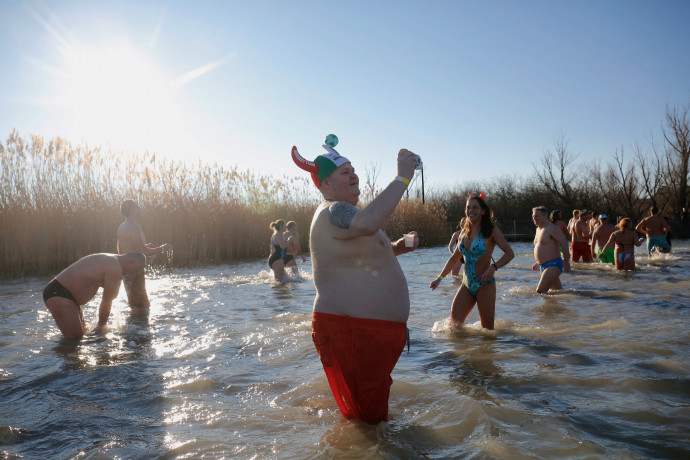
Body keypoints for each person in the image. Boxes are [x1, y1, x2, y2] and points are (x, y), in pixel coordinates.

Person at [291, 142, 419, 424]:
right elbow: (367, 223)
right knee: (366, 427)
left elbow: (355, 259)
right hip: (351, 333)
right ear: (324, 182)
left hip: (365, 333)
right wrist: (403, 177)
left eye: (353, 170)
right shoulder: (332, 211)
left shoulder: (344, 214)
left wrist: (396, 247)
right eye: (344, 172)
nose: (354, 175)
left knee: (368, 422)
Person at [429, 194, 514, 329]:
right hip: (467, 284)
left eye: (475, 207)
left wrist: (493, 267)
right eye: (468, 207)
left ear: (483, 211)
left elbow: (510, 253)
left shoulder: (491, 231)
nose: (471, 210)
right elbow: (454, 258)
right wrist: (439, 278)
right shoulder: (463, 232)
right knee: (454, 326)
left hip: (484, 284)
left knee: (487, 331)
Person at [43, 252, 146, 340]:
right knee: (76, 340)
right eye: (136, 270)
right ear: (131, 262)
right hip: (59, 293)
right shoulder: (114, 267)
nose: (134, 274)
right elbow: (107, 301)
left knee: (83, 335)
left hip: (66, 296)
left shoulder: (112, 259)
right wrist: (101, 326)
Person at [117, 200, 172, 314]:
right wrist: (162, 248)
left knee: (137, 306)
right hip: (135, 271)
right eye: (138, 207)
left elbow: (123, 249)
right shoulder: (134, 226)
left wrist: (145, 246)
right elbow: (142, 251)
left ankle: (135, 329)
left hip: (127, 270)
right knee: (142, 308)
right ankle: (137, 330)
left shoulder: (122, 226)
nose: (140, 209)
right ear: (132, 210)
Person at [531, 206, 571, 293]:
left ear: (545, 216)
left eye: (537, 216)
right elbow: (541, 246)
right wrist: (537, 262)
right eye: (533, 217)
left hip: (553, 265)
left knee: (540, 291)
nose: (534, 218)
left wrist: (567, 261)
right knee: (557, 293)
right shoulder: (538, 229)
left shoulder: (551, 228)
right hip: (543, 266)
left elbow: (564, 243)